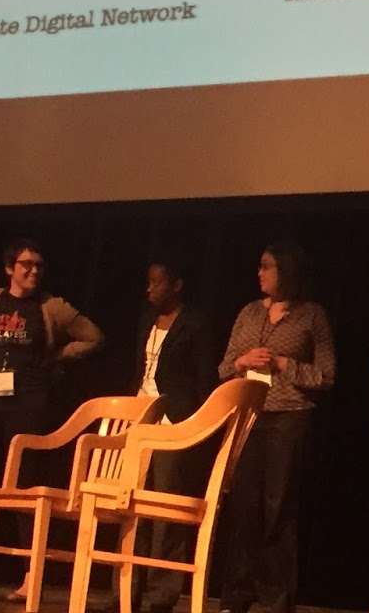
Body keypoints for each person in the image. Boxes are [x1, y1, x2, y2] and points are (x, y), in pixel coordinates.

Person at [0, 239, 103, 595]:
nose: (33, 271)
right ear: (9, 268)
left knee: (23, 489)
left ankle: (30, 575)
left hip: (27, 406)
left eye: (38, 266)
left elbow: (93, 337)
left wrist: (57, 357)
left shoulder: (51, 306)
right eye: (26, 265)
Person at [216, 241, 335, 613]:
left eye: (266, 266)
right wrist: (243, 361)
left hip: (289, 416)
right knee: (244, 505)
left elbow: (326, 374)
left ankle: (276, 599)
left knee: (278, 506)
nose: (260, 273)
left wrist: (285, 364)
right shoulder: (249, 312)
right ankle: (236, 596)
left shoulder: (311, 315)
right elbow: (223, 368)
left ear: (286, 270)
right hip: (248, 416)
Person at [125, 255, 219, 613]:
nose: (150, 288)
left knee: (164, 507)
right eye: (148, 281)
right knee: (131, 507)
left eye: (157, 281)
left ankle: (160, 595)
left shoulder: (195, 323)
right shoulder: (145, 319)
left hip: (172, 423)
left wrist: (193, 425)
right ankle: (126, 592)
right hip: (139, 419)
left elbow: (203, 380)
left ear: (176, 285)